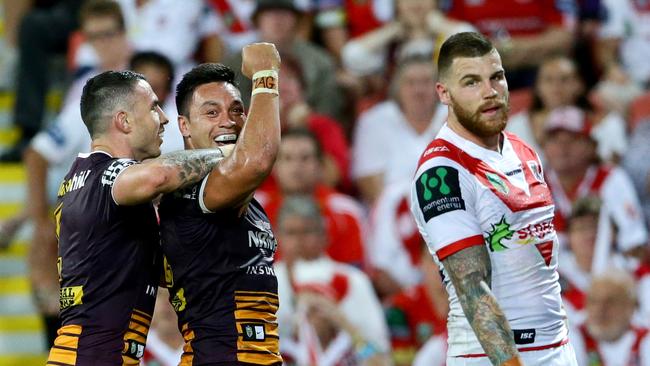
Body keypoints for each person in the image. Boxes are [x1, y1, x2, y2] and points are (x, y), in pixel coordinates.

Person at [409, 32, 577, 365]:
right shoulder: (441, 173)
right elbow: (471, 286)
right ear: (444, 93)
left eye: (496, 77)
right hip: (489, 356)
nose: (490, 92)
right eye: (471, 82)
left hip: (557, 348)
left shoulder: (523, 149)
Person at [46, 70, 227, 365]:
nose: (164, 118)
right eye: (154, 107)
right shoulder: (107, 175)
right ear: (124, 121)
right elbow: (161, 174)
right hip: (95, 357)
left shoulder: (83, 181)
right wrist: (229, 153)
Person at [157, 43, 283, 365]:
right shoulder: (196, 190)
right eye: (211, 113)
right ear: (184, 126)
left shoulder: (246, 199)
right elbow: (256, 160)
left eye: (237, 110)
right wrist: (265, 76)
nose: (228, 121)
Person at [273, 195, 391, 364]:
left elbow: (381, 358)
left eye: (307, 232)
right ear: (277, 238)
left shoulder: (353, 281)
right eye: (291, 233)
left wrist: (341, 322)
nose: (298, 241)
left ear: (324, 236)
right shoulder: (263, 283)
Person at [256, 128, 366, 267]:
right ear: (274, 166)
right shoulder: (253, 209)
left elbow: (354, 269)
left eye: (305, 158)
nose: (296, 167)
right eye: (287, 158)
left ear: (320, 165)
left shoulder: (345, 211)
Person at [571, 271, 650, 366]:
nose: (600, 309)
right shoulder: (572, 338)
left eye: (610, 302)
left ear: (630, 307)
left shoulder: (645, 340)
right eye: (594, 301)